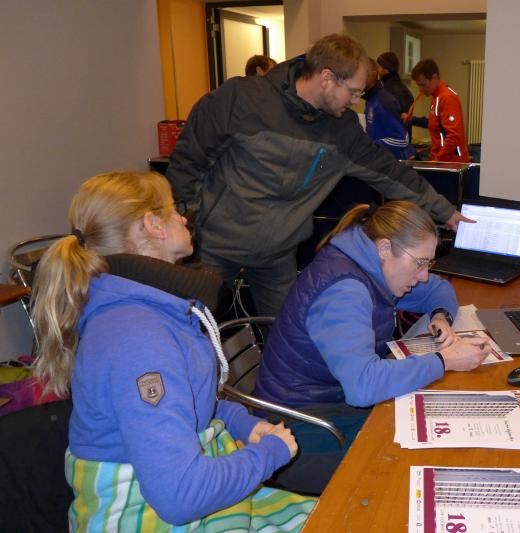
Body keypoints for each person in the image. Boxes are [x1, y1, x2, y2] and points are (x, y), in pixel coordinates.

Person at [31, 171, 314, 530]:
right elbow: (181, 497)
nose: (184, 217)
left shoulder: (155, 311)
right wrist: (270, 454)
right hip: (143, 517)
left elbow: (190, 404)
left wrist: (243, 423)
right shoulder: (137, 338)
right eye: (175, 208)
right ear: (152, 225)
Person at [167, 34, 469, 318]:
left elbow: (390, 173)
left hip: (277, 255)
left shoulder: (343, 130)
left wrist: (445, 212)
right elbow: (187, 162)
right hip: (216, 246)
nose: (356, 101)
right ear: (327, 78)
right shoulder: (241, 98)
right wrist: (189, 227)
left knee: (289, 335)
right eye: (353, 91)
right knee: (189, 327)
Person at [253, 201, 492, 494]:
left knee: (426, 427)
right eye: (419, 263)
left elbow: (437, 288)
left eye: (428, 264)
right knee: (413, 461)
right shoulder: (346, 291)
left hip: (329, 402)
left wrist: (441, 315)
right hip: (294, 428)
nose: (423, 275)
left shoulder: (370, 265)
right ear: (384, 248)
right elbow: (363, 387)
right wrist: (444, 360)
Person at [404, 59, 470, 163]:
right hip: (442, 160)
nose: (420, 89)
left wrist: (437, 161)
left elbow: (453, 136)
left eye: (422, 84)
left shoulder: (447, 98)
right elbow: (437, 125)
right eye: (418, 85)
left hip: (451, 163)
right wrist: (412, 120)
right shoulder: (437, 98)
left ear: (434, 77)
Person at [363, 58, 416, 159]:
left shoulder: (383, 101)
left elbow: (402, 139)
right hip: (380, 159)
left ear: (373, 75)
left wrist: (372, 146)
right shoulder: (370, 100)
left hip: (393, 161)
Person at [376, 51, 415, 135]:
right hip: (405, 139)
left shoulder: (384, 92)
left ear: (385, 69)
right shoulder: (407, 91)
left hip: (389, 140)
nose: (377, 70)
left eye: (378, 67)